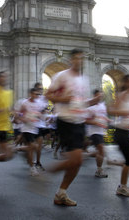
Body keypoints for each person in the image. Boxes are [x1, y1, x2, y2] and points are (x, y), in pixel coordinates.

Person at [45, 48, 101, 206]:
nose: (79, 61)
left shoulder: (84, 79)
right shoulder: (61, 76)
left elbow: (81, 102)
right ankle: (46, 175)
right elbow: (48, 95)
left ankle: (61, 193)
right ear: (71, 60)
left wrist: (92, 102)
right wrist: (63, 98)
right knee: (76, 158)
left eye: (81, 58)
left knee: (77, 162)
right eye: (76, 58)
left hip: (79, 121)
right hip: (66, 120)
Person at [108, 75, 129, 196]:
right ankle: (122, 187)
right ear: (126, 83)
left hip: (126, 131)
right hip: (120, 131)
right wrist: (128, 112)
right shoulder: (123, 95)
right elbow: (112, 110)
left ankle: (116, 163)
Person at [19, 88, 45, 176]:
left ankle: (23, 150)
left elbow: (41, 113)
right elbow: (20, 113)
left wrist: (42, 116)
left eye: (37, 94)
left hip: (36, 127)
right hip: (27, 128)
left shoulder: (39, 103)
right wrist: (23, 119)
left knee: (36, 147)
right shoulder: (25, 103)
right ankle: (32, 167)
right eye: (34, 94)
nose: (36, 96)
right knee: (32, 147)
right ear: (30, 94)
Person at [85, 89, 109, 178]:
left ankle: (85, 155)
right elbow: (84, 120)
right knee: (101, 150)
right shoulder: (90, 107)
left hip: (101, 131)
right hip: (93, 132)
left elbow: (103, 117)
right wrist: (94, 122)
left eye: (101, 96)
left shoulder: (103, 106)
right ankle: (99, 170)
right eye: (99, 96)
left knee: (101, 151)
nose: (100, 97)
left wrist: (107, 121)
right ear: (95, 96)